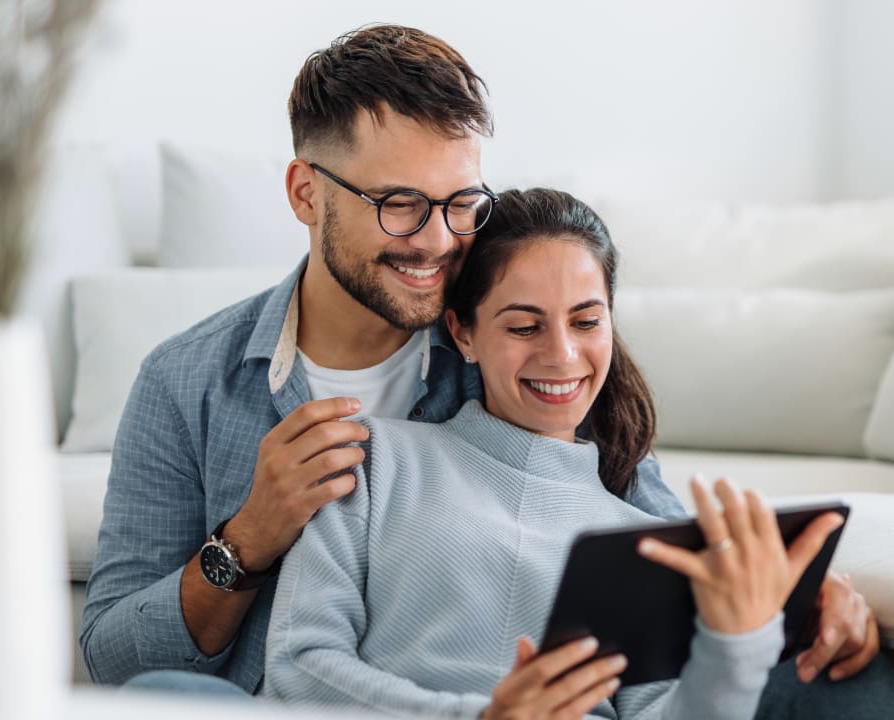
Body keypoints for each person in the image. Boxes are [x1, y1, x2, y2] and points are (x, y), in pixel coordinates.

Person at [81, 22, 881, 699]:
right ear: (305, 194)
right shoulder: (187, 382)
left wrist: (801, 599)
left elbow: (652, 539)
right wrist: (247, 540)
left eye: (462, 202)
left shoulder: (516, 347)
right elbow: (116, 658)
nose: (438, 240)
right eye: (398, 204)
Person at [264, 188, 894, 719]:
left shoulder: (644, 540)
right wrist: (482, 717)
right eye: (524, 325)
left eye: (587, 321)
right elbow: (297, 667)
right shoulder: (374, 461)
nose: (562, 355)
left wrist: (738, 641)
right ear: (464, 332)